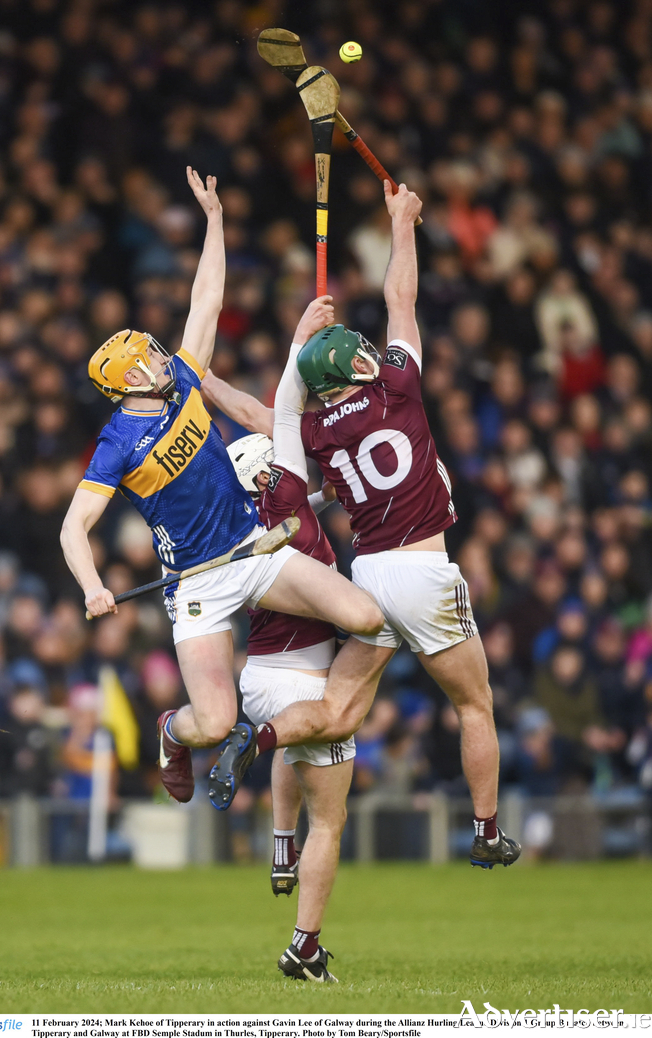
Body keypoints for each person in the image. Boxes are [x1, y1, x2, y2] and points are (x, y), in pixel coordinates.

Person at [207, 180, 521, 871]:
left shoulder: (314, 429)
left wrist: (200, 378)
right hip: (424, 571)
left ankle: (258, 737)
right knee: (475, 703)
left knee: (339, 712)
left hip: (369, 578)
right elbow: (400, 298)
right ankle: (486, 830)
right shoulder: (398, 387)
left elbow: (263, 416)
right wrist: (402, 221)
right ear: (355, 364)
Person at [60, 169, 383, 806]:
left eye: (154, 352)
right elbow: (74, 527)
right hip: (196, 584)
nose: (160, 357)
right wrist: (92, 586)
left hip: (252, 548)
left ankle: (332, 713)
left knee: (368, 617)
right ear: (129, 382)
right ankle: (170, 732)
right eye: (147, 360)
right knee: (211, 723)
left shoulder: (183, 379)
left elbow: (206, 297)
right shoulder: (116, 445)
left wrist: (215, 221)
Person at [202, 310, 353, 981]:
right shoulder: (288, 493)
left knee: (289, 746)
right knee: (334, 820)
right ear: (269, 470)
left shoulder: (234, 530)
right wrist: (300, 342)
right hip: (307, 680)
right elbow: (283, 407)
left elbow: (299, 506)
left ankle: (280, 844)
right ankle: (305, 946)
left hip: (258, 678)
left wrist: (202, 379)